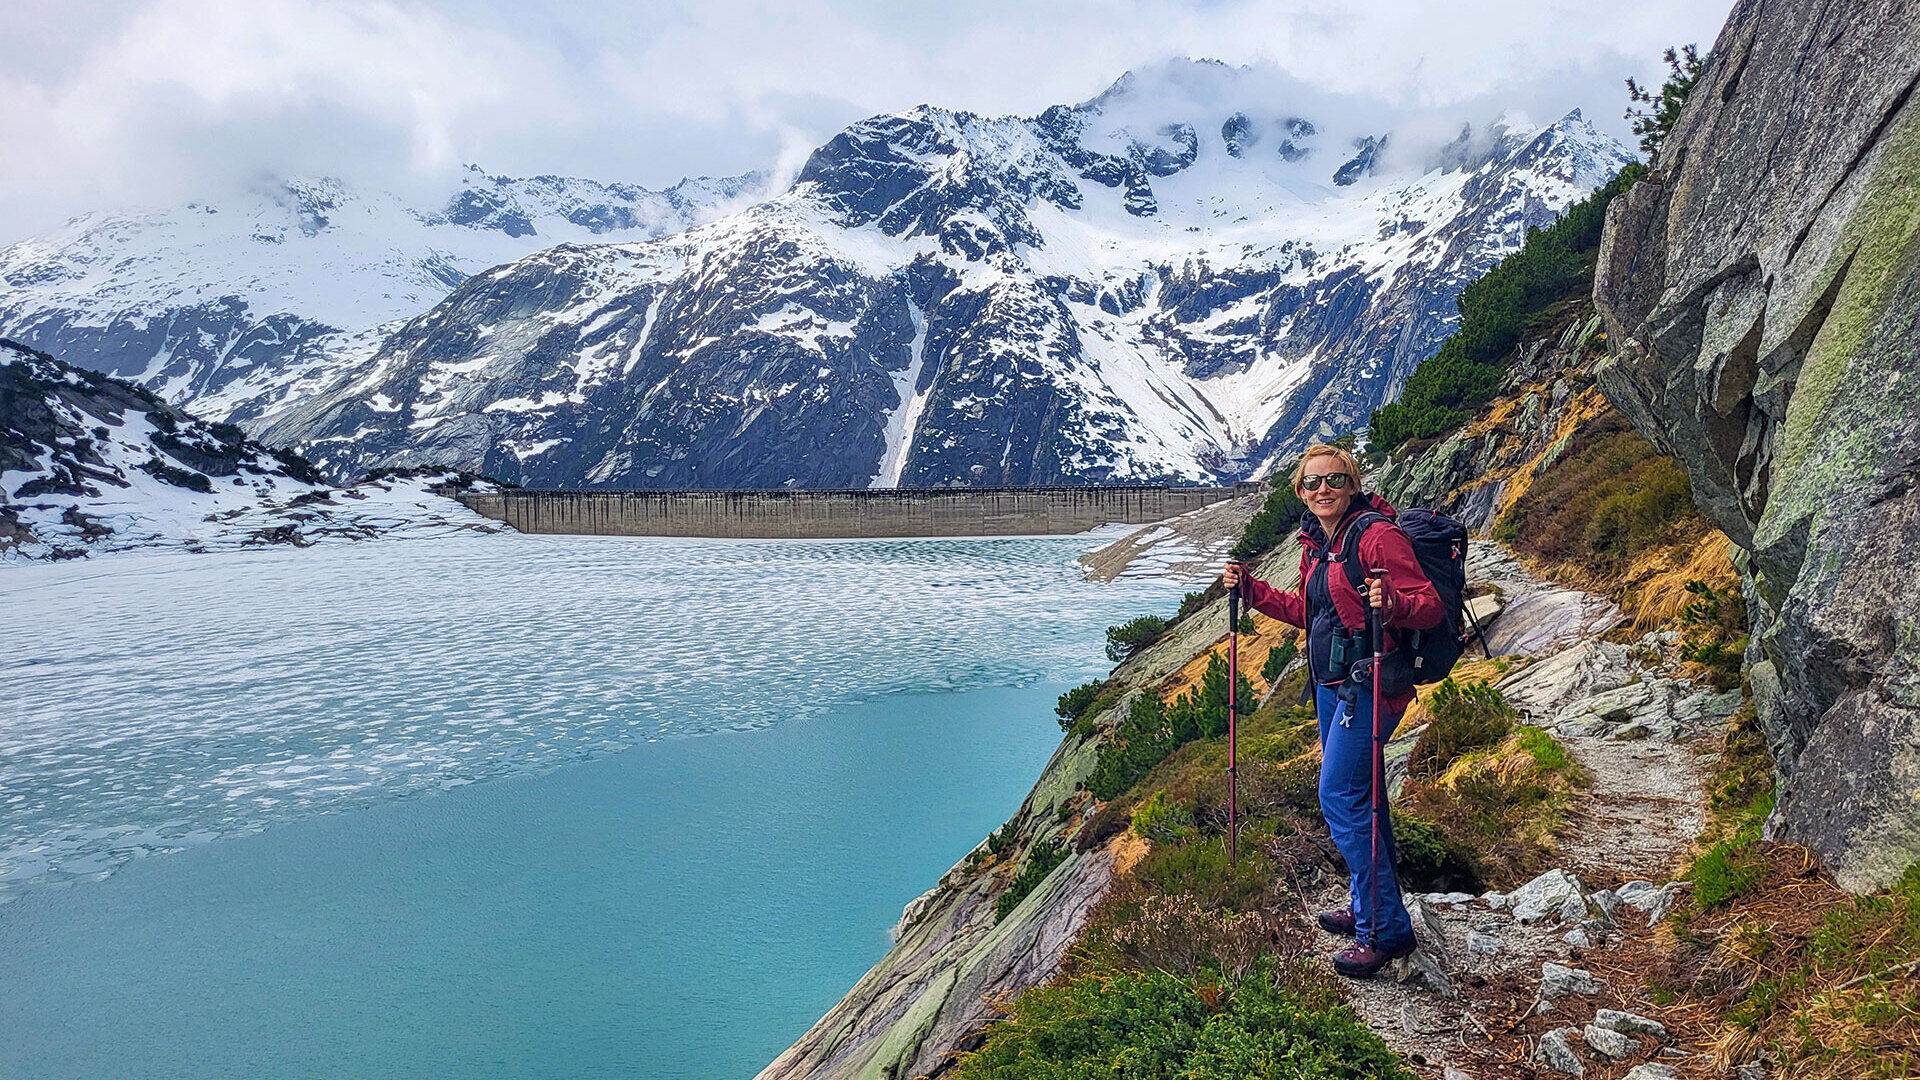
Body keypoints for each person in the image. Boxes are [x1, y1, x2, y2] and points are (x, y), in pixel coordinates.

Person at [1222, 444, 1443, 977]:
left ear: (1353, 484)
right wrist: (1254, 593)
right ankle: (1366, 906)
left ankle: (1386, 931)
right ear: (1299, 491)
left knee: (1340, 796)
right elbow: (1311, 611)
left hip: (1369, 684)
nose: (1323, 490)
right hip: (1331, 684)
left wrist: (1392, 604)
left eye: (1335, 480)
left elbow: (1430, 605)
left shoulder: (1376, 536)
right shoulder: (1317, 543)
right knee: (1366, 800)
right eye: (1312, 483)